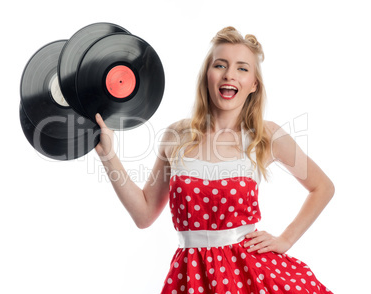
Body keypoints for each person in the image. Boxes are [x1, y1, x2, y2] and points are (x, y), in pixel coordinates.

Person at [94, 27, 334, 294]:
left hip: (250, 274)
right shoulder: (177, 135)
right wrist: (108, 155)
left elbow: (322, 187)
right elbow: (144, 214)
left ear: (254, 84)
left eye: (242, 68)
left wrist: (286, 239)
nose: (229, 74)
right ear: (207, 76)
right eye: (220, 65)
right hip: (191, 276)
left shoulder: (265, 136)